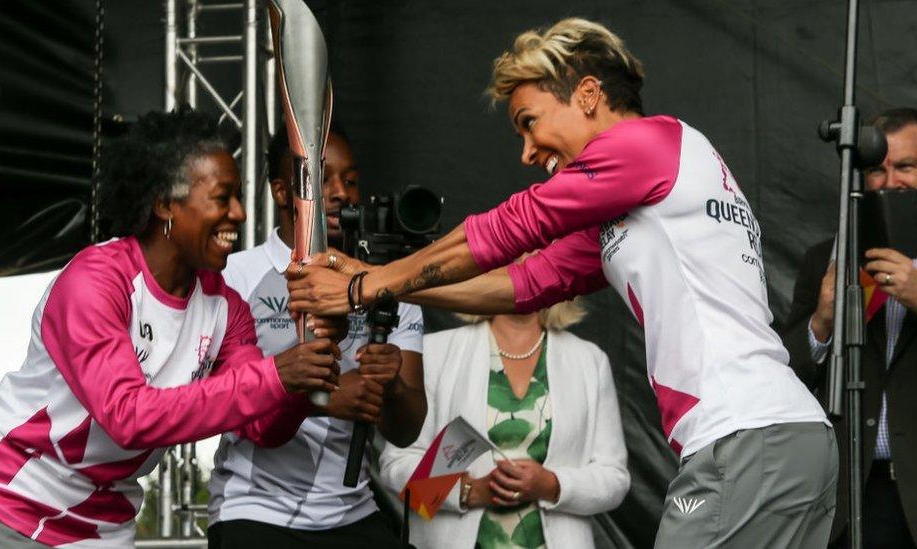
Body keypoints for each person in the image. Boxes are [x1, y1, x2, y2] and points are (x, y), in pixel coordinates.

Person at [287, 17, 837, 548]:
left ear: (589, 94)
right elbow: (526, 280)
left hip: (747, 435)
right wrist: (380, 281)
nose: (527, 151)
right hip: (784, 437)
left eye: (529, 121)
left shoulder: (648, 144)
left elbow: (512, 226)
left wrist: (365, 288)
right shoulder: (647, 195)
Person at [0, 110, 342, 548]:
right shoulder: (96, 281)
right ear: (165, 204)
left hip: (101, 526)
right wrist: (277, 375)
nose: (240, 214)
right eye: (222, 197)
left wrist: (306, 373)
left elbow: (263, 426)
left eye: (239, 197)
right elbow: (128, 418)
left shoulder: (227, 309)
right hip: (7, 502)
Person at [206, 127, 426, 548]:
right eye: (323, 180)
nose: (341, 193)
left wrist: (393, 386)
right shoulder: (235, 277)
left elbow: (406, 430)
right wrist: (318, 398)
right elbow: (220, 401)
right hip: (254, 509)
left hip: (352, 510)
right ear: (282, 192)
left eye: (351, 180)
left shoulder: (385, 286)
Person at [380, 300, 628, 548]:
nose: (522, 263)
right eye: (509, 258)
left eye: (535, 258)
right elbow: (396, 466)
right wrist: (471, 491)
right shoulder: (436, 351)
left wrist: (551, 485)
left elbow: (614, 478)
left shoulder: (589, 361)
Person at [781, 108, 917, 548]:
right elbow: (786, 378)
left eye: (907, 166)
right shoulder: (829, 258)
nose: (891, 181)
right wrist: (821, 321)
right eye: (878, 168)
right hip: (853, 493)